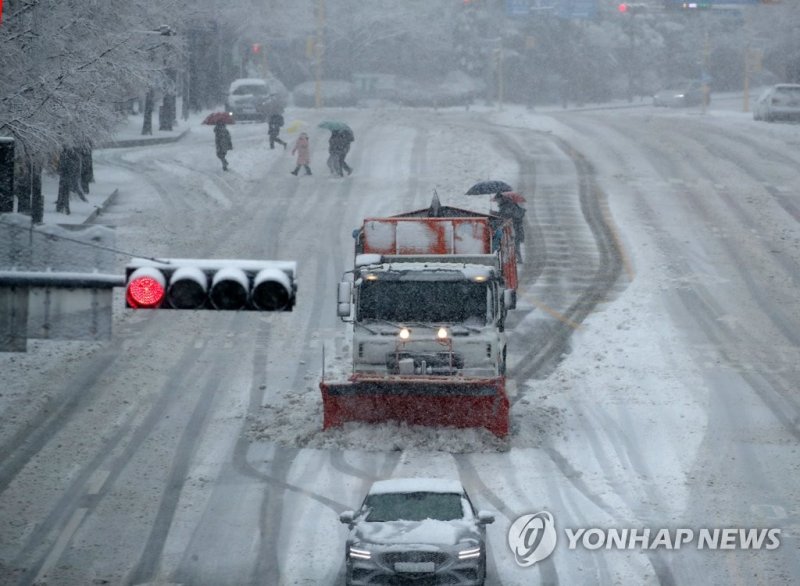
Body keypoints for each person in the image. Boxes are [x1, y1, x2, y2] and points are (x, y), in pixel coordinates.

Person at [493, 192, 526, 262]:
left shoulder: (507, 205)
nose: (497, 202)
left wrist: (495, 214)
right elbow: (503, 215)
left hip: (514, 227)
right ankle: (515, 258)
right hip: (514, 227)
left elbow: (505, 215)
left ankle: (516, 259)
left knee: (514, 243)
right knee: (512, 243)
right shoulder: (505, 205)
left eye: (497, 200)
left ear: (501, 199)